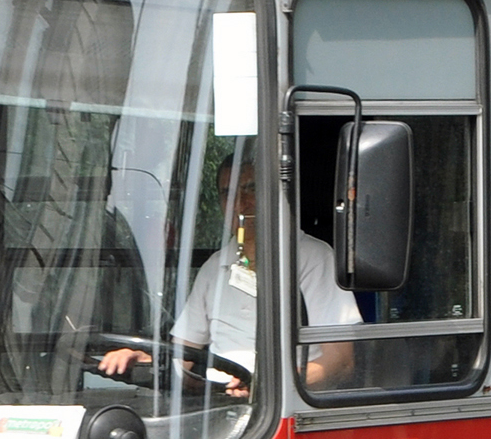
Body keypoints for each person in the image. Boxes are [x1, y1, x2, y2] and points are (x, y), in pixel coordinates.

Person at [99, 164, 356, 390]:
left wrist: (267, 388)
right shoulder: (215, 266)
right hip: (216, 405)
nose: (241, 203)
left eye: (251, 188)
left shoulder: (313, 256)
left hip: (280, 409)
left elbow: (340, 363)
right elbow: (182, 353)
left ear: (275, 193)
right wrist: (142, 359)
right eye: (228, 193)